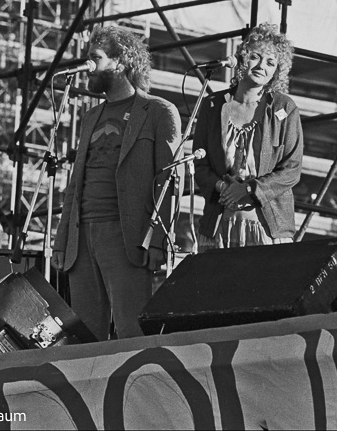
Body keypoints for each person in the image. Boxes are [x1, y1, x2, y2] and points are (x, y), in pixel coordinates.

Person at [52, 25, 181, 339]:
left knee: (130, 330)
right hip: (82, 237)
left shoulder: (158, 112)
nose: (88, 67)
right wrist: (62, 238)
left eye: (95, 58)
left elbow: (170, 180)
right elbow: (75, 184)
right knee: (85, 336)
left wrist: (159, 240)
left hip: (126, 235)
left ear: (122, 61)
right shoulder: (90, 118)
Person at [193, 23, 303, 249]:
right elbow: (200, 164)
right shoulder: (212, 106)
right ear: (243, 57)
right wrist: (224, 188)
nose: (262, 66)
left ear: (276, 72)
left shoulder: (285, 108)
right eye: (256, 56)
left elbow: (292, 169)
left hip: (267, 229)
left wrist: (248, 189)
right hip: (219, 225)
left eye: (270, 62)